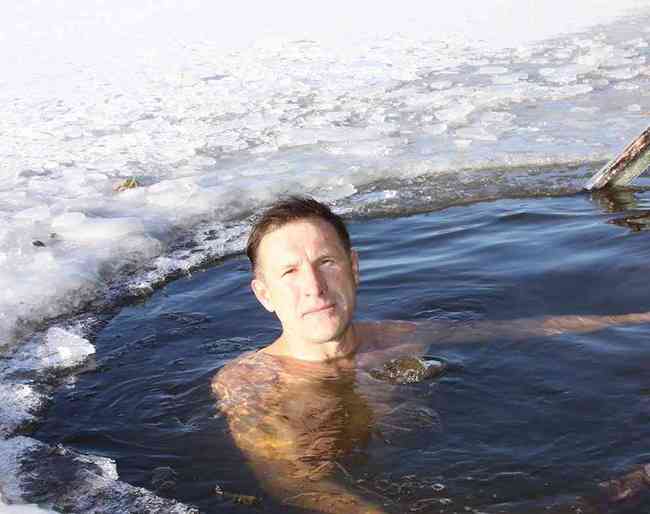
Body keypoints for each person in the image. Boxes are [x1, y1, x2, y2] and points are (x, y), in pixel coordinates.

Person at [212, 196, 650, 514]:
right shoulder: (252, 382)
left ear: (354, 268)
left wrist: (632, 319)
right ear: (264, 295)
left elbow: (520, 329)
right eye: (290, 271)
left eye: (325, 262)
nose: (313, 286)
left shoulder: (396, 338)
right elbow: (292, 482)